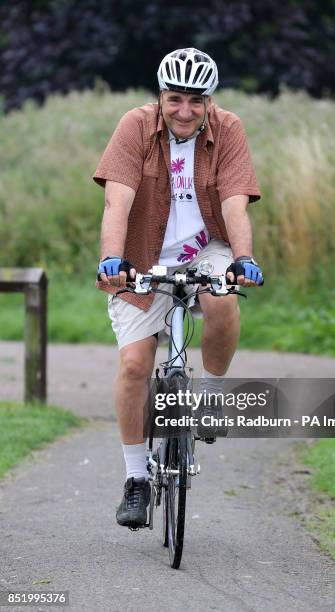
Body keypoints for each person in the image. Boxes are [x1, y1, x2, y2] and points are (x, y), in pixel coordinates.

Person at [93, 48, 263, 529]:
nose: (185, 111)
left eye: (196, 100)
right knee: (134, 364)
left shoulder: (228, 129)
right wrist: (112, 259)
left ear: (210, 101)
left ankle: (208, 398)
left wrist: (244, 260)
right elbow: (116, 203)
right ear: (159, 96)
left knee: (223, 299)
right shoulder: (134, 126)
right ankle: (135, 481)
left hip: (205, 247)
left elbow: (235, 205)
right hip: (142, 252)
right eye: (174, 99)